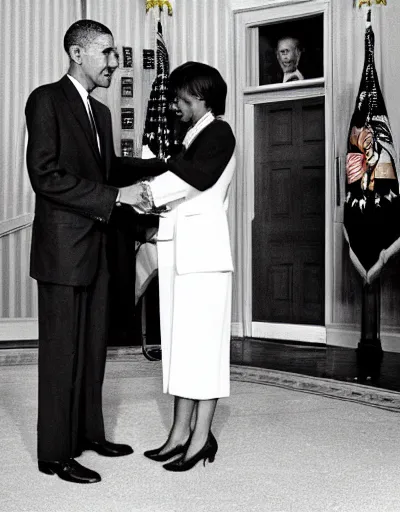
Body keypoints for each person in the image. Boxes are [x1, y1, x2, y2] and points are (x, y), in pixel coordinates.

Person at [25, 19, 150, 485]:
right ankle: (54, 454)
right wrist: (115, 196)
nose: (114, 63)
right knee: (61, 354)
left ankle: (89, 435)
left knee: (93, 349)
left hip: (95, 248)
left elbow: (111, 169)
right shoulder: (45, 100)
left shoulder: (100, 114)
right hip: (60, 251)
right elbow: (45, 176)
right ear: (77, 54)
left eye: (115, 55)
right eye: (107, 53)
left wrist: (171, 164)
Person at [139, 62, 237, 472]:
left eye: (182, 99)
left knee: (205, 352)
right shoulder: (191, 135)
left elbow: (194, 178)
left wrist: (147, 190)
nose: (176, 106)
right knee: (181, 350)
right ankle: (179, 434)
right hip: (182, 254)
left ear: (202, 99)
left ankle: (200, 439)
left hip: (206, 258)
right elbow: (180, 177)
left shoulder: (219, 132)